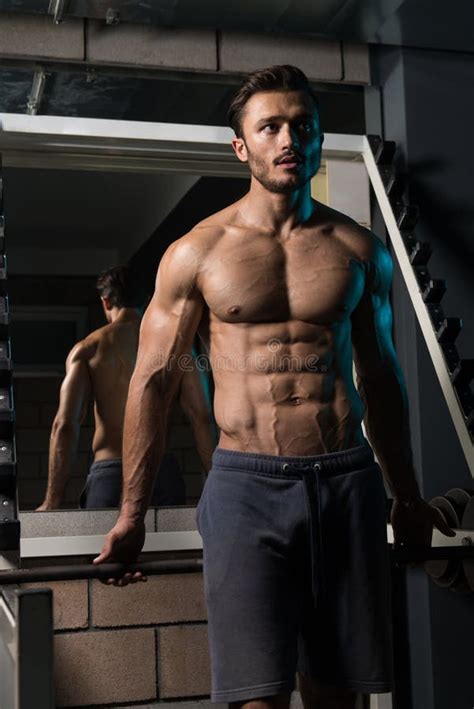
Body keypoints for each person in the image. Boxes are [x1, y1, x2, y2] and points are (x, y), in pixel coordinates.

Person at [93, 66, 455, 709]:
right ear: (243, 147)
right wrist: (130, 515)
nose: (290, 137)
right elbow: (151, 384)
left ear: (317, 138)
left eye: (303, 125)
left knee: (337, 695)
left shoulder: (358, 249)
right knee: (256, 697)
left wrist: (406, 494)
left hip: (346, 480)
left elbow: (380, 376)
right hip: (246, 487)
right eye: (271, 127)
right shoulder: (196, 252)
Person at [37, 265, 214, 511]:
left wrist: (52, 500)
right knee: (168, 551)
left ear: (106, 301)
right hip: (159, 474)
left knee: (108, 550)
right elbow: (202, 416)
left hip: (111, 475)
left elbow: (65, 424)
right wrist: (216, 487)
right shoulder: (176, 346)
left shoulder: (88, 350)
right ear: (148, 299)